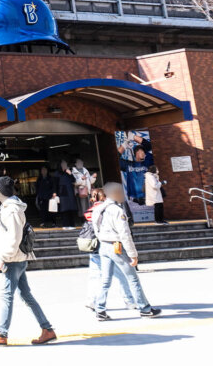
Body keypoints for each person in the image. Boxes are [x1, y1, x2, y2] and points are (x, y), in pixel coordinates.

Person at [0, 176, 57, 346]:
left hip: (12, 260)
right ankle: (47, 329)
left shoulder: (11, 210)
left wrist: (2, 257)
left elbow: (14, 237)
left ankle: (1, 333)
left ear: (1, 191)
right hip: (16, 258)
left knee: (7, 296)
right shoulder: (8, 207)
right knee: (26, 295)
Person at [92, 182, 161, 320]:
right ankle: (145, 308)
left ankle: (100, 309)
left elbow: (95, 227)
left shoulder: (98, 209)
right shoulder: (117, 211)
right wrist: (133, 254)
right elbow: (125, 234)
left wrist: (102, 239)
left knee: (105, 279)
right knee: (132, 278)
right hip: (116, 246)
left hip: (103, 245)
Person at [84, 188, 136, 311]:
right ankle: (129, 300)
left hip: (93, 246)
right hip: (110, 246)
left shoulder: (92, 209)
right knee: (121, 274)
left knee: (95, 276)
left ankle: (92, 300)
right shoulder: (110, 209)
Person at [118, 134, 153, 203]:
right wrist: (125, 144)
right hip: (134, 201)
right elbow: (116, 158)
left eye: (143, 151)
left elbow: (149, 146)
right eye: (140, 151)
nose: (143, 153)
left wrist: (133, 137)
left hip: (149, 199)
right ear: (135, 154)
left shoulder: (149, 162)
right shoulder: (128, 165)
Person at [53, 160, 78, 229]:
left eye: (65, 164)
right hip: (62, 193)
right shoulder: (57, 173)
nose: (65, 165)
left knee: (71, 209)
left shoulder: (68, 172)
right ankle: (65, 225)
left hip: (70, 193)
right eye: (63, 164)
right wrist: (54, 192)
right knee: (64, 210)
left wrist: (70, 173)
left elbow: (74, 180)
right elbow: (55, 184)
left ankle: (72, 225)